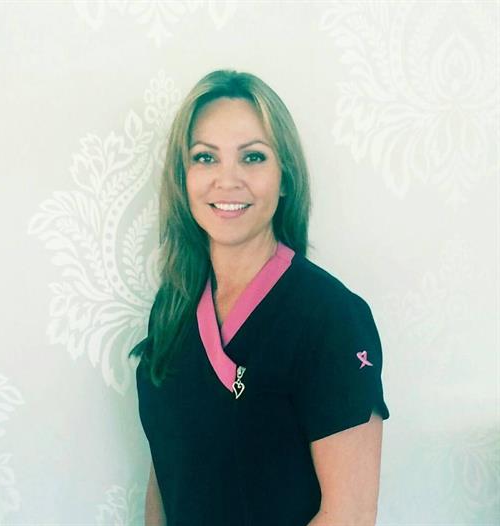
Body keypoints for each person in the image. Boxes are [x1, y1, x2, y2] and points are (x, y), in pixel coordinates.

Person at [129, 69, 390, 526]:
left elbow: (349, 515)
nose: (227, 180)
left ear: (285, 176)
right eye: (205, 158)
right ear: (183, 178)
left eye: (252, 157)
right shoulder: (172, 307)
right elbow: (167, 471)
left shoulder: (331, 318)